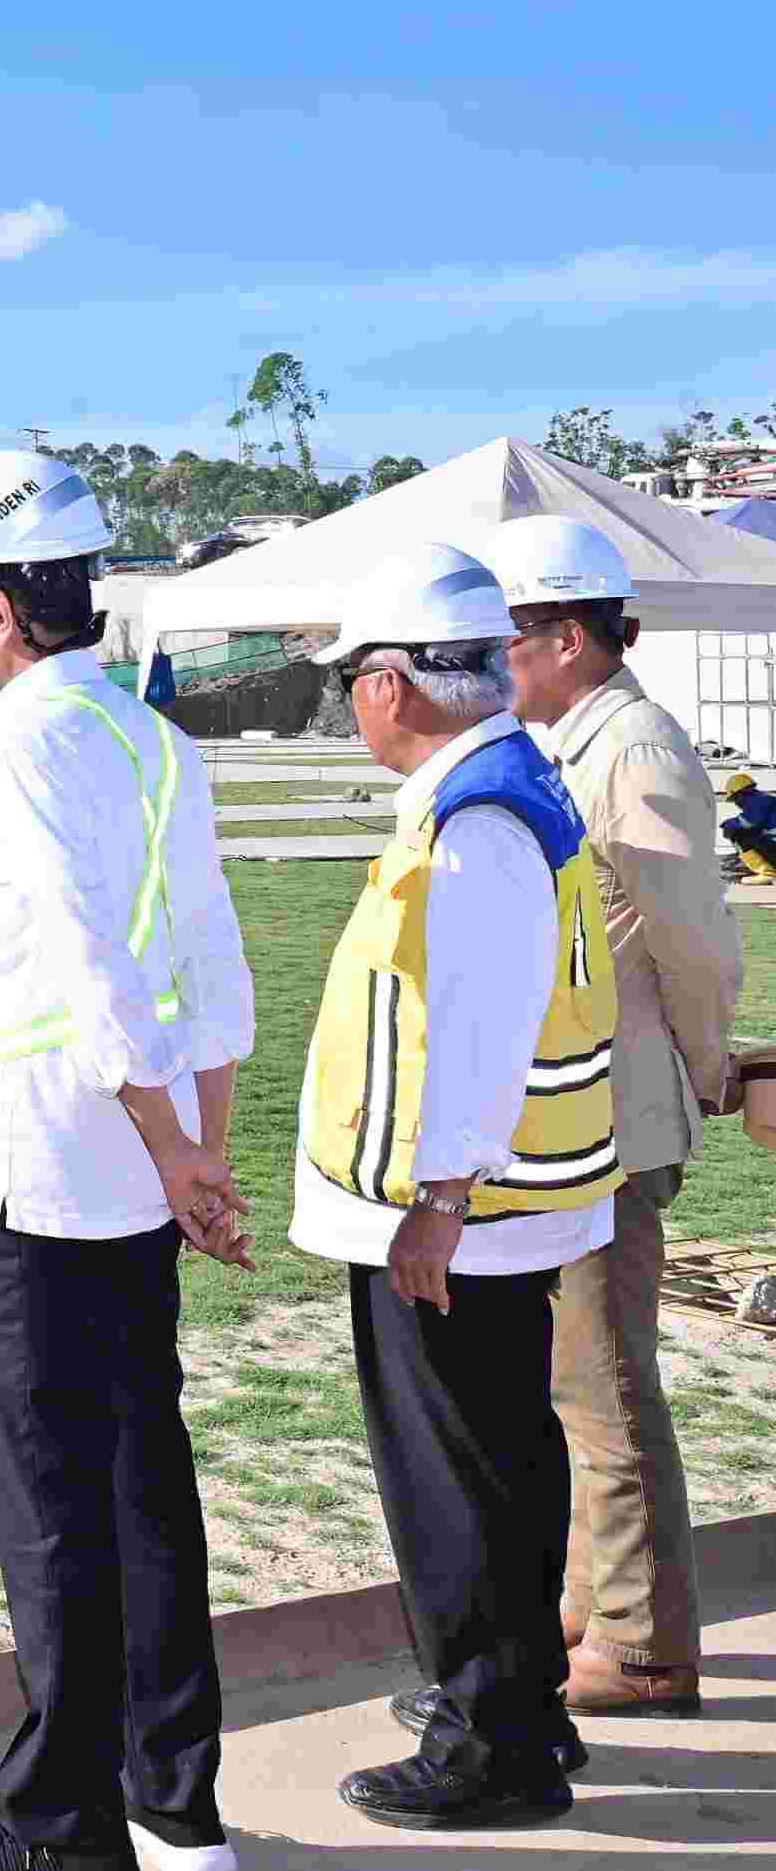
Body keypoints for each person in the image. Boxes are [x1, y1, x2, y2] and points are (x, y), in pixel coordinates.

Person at [0, 451, 260, 1871]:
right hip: (135, 1163)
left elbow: (90, 959)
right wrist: (200, 1152)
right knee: (142, 1483)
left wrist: (180, 1150)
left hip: (56, 1166)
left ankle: (57, 1829)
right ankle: (171, 1806)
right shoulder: (148, 737)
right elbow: (213, 963)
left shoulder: (36, 742)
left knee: (54, 1510)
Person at [295, 541, 619, 1829]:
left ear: (393, 683)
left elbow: (478, 1018)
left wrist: (438, 1197)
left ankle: (491, 1737)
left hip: (460, 1214)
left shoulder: (474, 811)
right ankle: (520, 1702)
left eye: (353, 680)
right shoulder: (509, 779)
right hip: (510, 1195)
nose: (351, 704)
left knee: (457, 1477)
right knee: (503, 1460)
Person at [490, 513, 738, 1722]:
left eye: (513, 637)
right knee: (572, 1380)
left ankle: (642, 1643)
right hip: (583, 1109)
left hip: (625, 1108)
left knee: (605, 1385)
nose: (497, 662)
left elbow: (694, 936)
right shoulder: (574, 739)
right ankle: (593, 1610)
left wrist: (709, 1068)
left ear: (574, 636)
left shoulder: (631, 748)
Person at [722, 772, 776, 881]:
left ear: (741, 794)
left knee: (737, 834)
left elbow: (748, 822)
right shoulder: (765, 799)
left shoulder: (758, 801)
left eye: (734, 799)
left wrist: (727, 825)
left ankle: (768, 873)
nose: (736, 804)